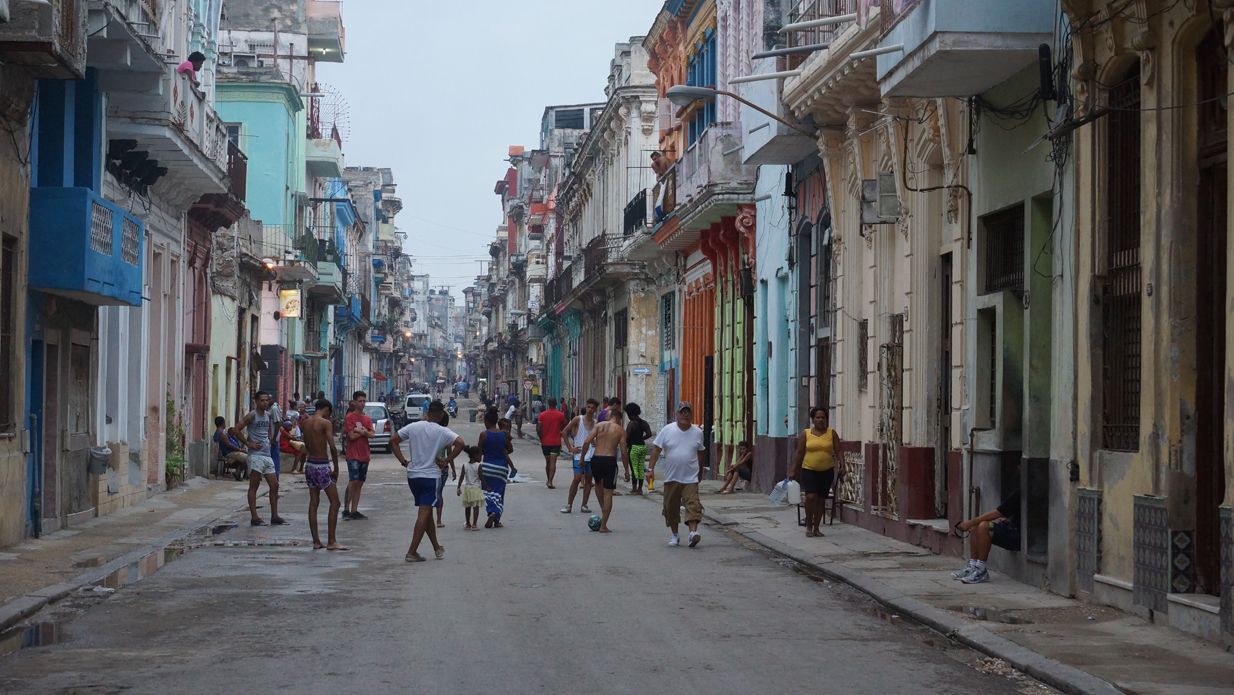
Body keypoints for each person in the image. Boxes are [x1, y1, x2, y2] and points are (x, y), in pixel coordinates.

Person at [390, 401, 463, 562]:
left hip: (413, 476)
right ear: (442, 415)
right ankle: (412, 551)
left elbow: (393, 441)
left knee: (427, 511)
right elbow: (461, 443)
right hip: (431, 476)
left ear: (427, 412)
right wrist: (446, 461)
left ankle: (437, 547)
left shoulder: (413, 427)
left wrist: (403, 461)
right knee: (424, 512)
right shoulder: (442, 431)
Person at [647, 402, 706, 548]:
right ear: (677, 414)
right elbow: (656, 449)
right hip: (671, 477)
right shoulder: (667, 430)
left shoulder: (697, 432)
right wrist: (650, 469)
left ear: (691, 415)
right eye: (682, 412)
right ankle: (675, 535)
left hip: (690, 477)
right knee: (671, 508)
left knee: (693, 504)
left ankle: (693, 533)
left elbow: (700, 452)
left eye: (688, 412)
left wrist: (700, 471)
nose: (685, 415)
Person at [230, 392, 287, 526]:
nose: (265, 403)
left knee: (274, 485)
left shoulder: (268, 416)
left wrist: (270, 439)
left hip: (266, 455)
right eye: (262, 400)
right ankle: (254, 517)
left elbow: (269, 431)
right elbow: (236, 429)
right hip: (255, 456)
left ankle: (274, 516)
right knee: (254, 486)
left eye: (267, 400)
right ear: (256, 401)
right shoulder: (252, 415)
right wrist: (248, 443)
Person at [300, 399, 348, 551]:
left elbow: (305, 444)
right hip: (321, 465)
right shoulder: (325, 423)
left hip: (310, 465)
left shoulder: (305, 423)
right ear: (326, 409)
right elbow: (333, 447)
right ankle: (331, 541)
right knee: (335, 502)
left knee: (314, 502)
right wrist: (336, 467)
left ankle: (316, 541)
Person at [788, 407, 843, 538]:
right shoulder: (806, 434)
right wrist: (793, 470)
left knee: (821, 499)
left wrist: (842, 464)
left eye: (823, 417)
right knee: (811, 497)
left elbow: (838, 450)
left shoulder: (832, 433)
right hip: (809, 469)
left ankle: (817, 528)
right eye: (817, 417)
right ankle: (808, 525)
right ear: (812, 419)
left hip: (827, 470)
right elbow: (799, 453)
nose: (820, 420)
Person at [952, 489, 1022, 584]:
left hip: (1020, 538)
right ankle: (972, 566)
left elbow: (997, 513)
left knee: (984, 526)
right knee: (976, 526)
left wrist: (969, 523)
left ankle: (981, 570)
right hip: (1011, 528)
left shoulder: (1021, 492)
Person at [581, 407, 629, 533]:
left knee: (598, 485)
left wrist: (582, 458)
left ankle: (603, 510)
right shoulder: (620, 430)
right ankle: (603, 525)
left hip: (596, 459)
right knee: (608, 492)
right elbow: (624, 452)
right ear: (618, 418)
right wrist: (627, 470)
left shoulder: (599, 425)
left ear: (610, 416)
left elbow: (586, 442)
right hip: (609, 460)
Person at [560, 399, 598, 514]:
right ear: (586, 408)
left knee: (588, 480)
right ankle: (569, 504)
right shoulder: (578, 419)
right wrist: (570, 448)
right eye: (589, 407)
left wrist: (596, 443)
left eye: (592, 408)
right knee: (576, 479)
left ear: (595, 410)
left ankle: (584, 505)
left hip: (591, 455)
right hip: (578, 455)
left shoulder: (596, 423)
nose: (590, 409)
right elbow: (564, 432)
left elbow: (599, 438)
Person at [342, 391, 376, 520]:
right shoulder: (350, 417)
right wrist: (365, 432)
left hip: (364, 454)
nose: (362, 403)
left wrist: (360, 431)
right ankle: (346, 509)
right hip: (353, 454)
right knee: (353, 480)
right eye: (360, 401)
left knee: (360, 482)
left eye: (364, 401)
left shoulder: (367, 418)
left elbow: (372, 434)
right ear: (354, 402)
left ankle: (354, 510)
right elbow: (351, 436)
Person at [478, 410, 513, 528]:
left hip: (487, 467)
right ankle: (497, 519)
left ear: (487, 422)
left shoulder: (484, 434)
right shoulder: (503, 435)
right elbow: (510, 449)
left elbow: (479, 451)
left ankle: (491, 512)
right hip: (501, 468)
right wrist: (502, 452)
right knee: (499, 493)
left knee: (488, 492)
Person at [536, 397, 567, 489]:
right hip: (556, 442)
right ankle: (550, 481)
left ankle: (548, 479)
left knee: (548, 462)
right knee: (553, 462)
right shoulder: (560, 415)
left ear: (548, 404)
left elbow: (538, 428)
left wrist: (541, 438)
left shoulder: (542, 415)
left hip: (545, 442)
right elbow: (565, 426)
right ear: (556, 404)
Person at [434, 414, 458, 529]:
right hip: (443, 468)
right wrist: (452, 469)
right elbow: (450, 454)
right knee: (439, 493)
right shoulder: (446, 435)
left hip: (431, 467)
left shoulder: (430, 434)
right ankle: (438, 520)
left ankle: (428, 518)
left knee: (431, 494)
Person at [623, 403, 653, 495]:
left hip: (634, 447)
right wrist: (641, 438)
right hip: (642, 447)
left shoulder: (631, 424)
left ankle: (634, 489)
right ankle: (640, 489)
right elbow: (649, 434)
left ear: (629, 413)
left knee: (634, 468)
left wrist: (626, 444)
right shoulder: (644, 422)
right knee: (640, 468)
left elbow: (627, 437)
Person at [456, 445, 484, 530]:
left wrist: (458, 487)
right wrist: (487, 486)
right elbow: (481, 477)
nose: (481, 458)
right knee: (476, 508)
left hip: (467, 489)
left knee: (467, 508)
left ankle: (468, 523)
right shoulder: (479, 465)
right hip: (476, 489)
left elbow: (461, 477)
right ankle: (474, 524)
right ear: (475, 455)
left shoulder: (465, 465)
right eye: (480, 456)